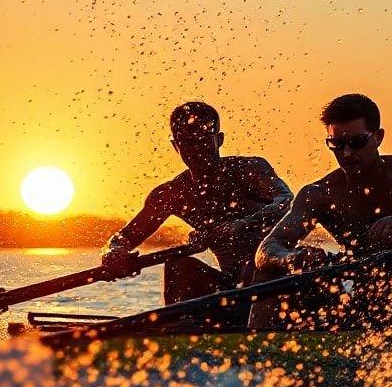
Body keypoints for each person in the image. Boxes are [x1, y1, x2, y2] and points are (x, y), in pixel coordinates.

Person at [249, 93, 392, 329]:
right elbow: (266, 250)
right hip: (362, 291)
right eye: (337, 145)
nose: (347, 153)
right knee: (270, 273)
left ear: (378, 137)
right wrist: (292, 259)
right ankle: (258, 354)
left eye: (357, 142)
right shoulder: (319, 193)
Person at [102, 102, 293, 303]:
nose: (196, 149)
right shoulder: (173, 193)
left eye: (203, 139)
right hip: (231, 286)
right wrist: (114, 253)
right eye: (187, 142)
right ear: (176, 146)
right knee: (178, 267)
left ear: (219, 140)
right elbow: (122, 238)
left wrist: (238, 227)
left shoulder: (249, 169)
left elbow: (287, 201)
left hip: (277, 278)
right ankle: (178, 328)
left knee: (253, 270)